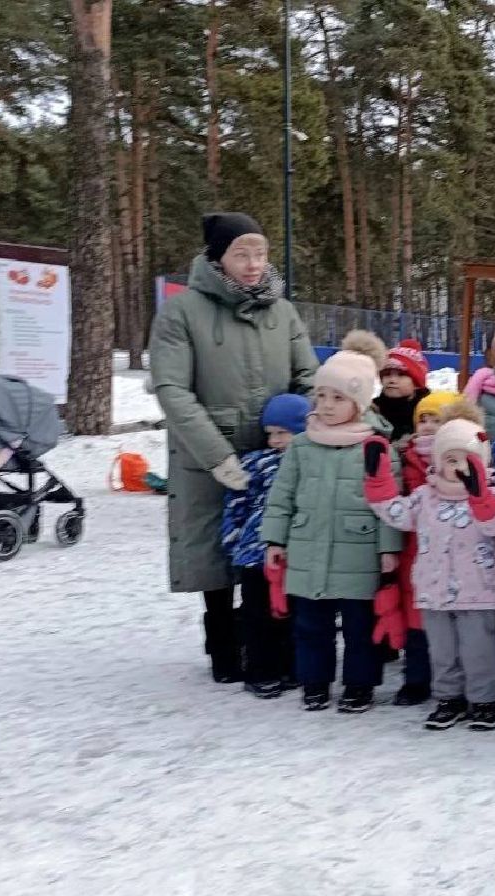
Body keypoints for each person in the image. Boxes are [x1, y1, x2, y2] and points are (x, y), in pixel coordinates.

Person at [150, 211, 317, 683]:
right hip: (207, 452)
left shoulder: (281, 311)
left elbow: (308, 377)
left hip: (276, 451)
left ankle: (264, 641)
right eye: (241, 253)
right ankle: (223, 645)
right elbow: (172, 389)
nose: (252, 263)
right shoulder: (182, 312)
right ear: (217, 257)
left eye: (260, 253)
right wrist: (217, 457)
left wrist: (298, 436)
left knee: (270, 546)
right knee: (213, 549)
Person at [259, 347, 403, 713]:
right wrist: (275, 539)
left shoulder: (377, 447)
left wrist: (389, 550)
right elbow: (282, 496)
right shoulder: (302, 446)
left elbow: (389, 504)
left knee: (360, 628)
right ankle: (314, 682)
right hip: (308, 551)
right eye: (321, 395)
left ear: (358, 403)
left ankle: (359, 685)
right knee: (310, 625)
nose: (326, 404)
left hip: (358, 552)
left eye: (338, 397)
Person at [362, 418, 495, 733]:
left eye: (465, 460)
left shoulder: (492, 493)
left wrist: (479, 495)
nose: (457, 467)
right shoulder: (424, 495)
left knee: (478, 648)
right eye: (450, 459)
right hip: (434, 588)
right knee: (442, 649)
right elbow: (397, 513)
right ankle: (448, 698)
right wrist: (378, 482)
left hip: (477, 590)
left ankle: (484, 701)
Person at [219, 392, 308, 698]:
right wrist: (233, 540)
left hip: (296, 554)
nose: (276, 440)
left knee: (293, 613)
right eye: (271, 434)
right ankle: (261, 670)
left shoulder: (311, 466)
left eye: (284, 433)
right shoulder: (255, 463)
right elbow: (237, 504)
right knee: (258, 615)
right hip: (255, 555)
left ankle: (291, 666)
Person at [372, 337, 430, 446]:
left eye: (401, 375)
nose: (392, 380)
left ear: (416, 383)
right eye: (387, 374)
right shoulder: (373, 410)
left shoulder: (428, 412)